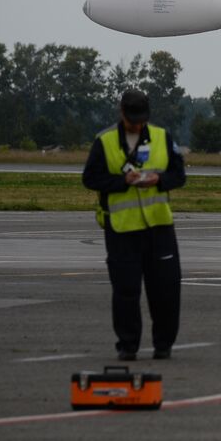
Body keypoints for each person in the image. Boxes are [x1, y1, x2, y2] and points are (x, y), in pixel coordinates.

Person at [82, 89, 186, 360]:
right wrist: (121, 183)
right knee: (126, 291)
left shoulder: (163, 137)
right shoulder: (104, 142)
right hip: (122, 230)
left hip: (159, 227)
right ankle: (128, 346)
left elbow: (179, 175)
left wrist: (159, 180)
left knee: (166, 289)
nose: (136, 125)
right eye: (132, 120)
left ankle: (163, 345)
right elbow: (90, 179)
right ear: (121, 113)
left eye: (141, 120)